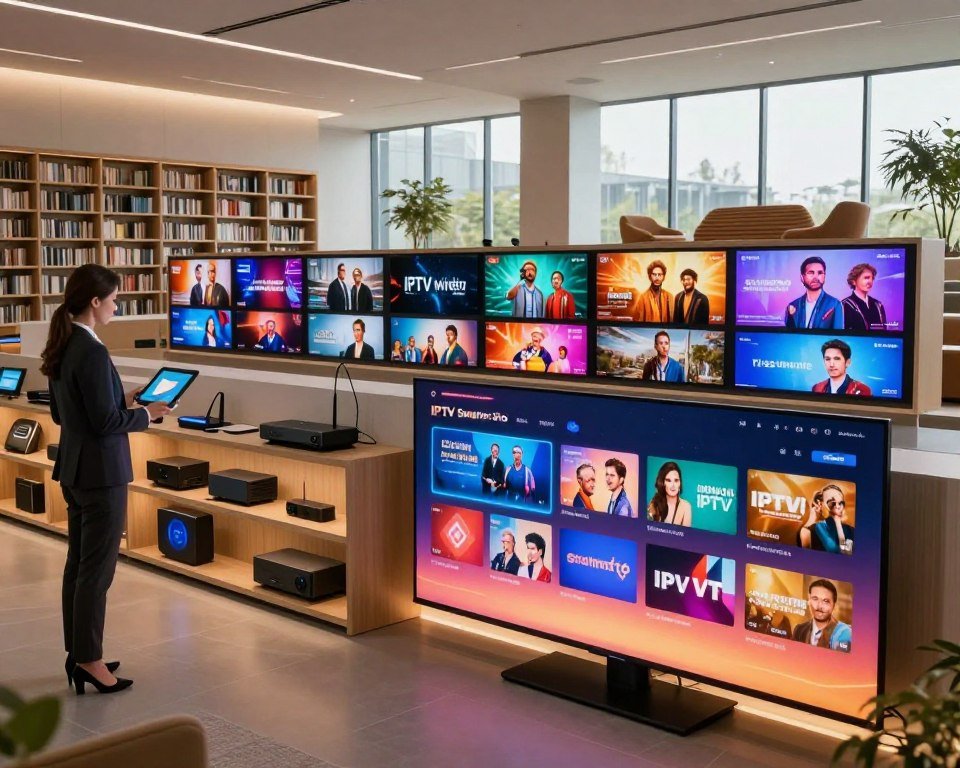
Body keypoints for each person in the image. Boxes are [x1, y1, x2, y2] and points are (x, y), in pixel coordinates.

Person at [42, 264, 171, 695]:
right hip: (101, 474)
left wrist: (121, 398)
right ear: (95, 302)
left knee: (78, 567)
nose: (118, 305)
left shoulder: (65, 344)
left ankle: (78, 653)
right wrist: (145, 414)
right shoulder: (92, 351)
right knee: (96, 573)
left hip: (76, 470)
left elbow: (66, 413)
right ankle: (91, 661)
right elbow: (105, 421)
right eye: (114, 299)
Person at [792, 579, 852, 652]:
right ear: (809, 601)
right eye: (815, 599)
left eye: (826, 601)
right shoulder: (799, 630)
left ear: (834, 606)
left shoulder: (844, 632)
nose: (819, 606)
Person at [784, 256, 843, 329]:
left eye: (820, 273)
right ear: (802, 278)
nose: (816, 277)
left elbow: (838, 335)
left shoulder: (834, 304)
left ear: (824, 276)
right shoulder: (793, 305)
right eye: (811, 273)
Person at [808, 484, 854, 554]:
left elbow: (846, 553)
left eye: (841, 503)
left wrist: (838, 523)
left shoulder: (849, 529)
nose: (837, 507)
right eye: (832, 503)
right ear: (820, 504)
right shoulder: (816, 527)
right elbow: (833, 550)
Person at [842, 263, 888, 331]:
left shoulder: (878, 305)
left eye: (872, 278)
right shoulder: (844, 305)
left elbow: (884, 332)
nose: (870, 281)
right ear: (854, 281)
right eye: (866, 278)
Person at [647, 461, 692, 526]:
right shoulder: (654, 503)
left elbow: (686, 535)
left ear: (680, 483)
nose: (673, 485)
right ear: (662, 483)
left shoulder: (686, 506)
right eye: (668, 480)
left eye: (676, 480)